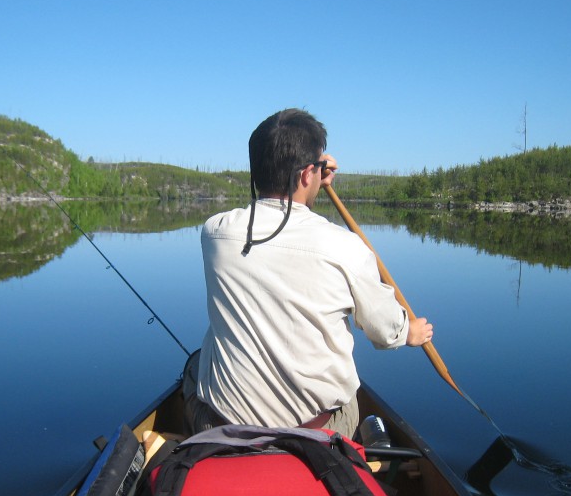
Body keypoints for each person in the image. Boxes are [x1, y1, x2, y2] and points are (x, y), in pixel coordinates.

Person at [183, 108, 434, 438]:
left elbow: (287, 215)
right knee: (347, 394)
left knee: (196, 363)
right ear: (306, 175)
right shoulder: (348, 248)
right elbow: (385, 333)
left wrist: (311, 172)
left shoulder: (214, 232)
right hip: (316, 430)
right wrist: (410, 332)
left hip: (222, 425)